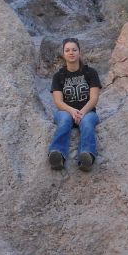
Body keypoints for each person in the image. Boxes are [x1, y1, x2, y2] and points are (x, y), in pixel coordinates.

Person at [48, 38, 101, 172]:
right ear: (63, 54)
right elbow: (58, 102)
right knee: (65, 120)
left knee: (87, 122)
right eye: (67, 50)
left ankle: (87, 156)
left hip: (88, 111)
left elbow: (94, 98)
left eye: (74, 50)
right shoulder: (58, 76)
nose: (71, 52)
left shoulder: (91, 73)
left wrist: (82, 112)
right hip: (65, 112)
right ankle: (57, 154)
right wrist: (72, 111)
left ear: (79, 52)